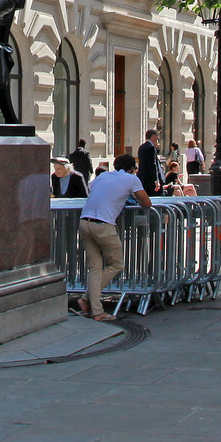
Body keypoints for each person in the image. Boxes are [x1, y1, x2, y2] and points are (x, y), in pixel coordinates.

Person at [78, 153, 151, 323]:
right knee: (116, 264)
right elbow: (146, 202)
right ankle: (88, 300)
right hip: (104, 224)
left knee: (95, 268)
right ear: (132, 169)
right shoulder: (131, 180)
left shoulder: (102, 176)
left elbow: (93, 190)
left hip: (84, 220)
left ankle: (95, 310)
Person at [136, 129, 161, 193]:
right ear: (153, 136)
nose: (158, 138)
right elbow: (153, 164)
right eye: (157, 135)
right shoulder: (151, 147)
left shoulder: (142, 147)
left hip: (142, 177)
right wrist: (156, 180)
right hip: (150, 179)